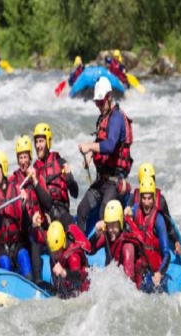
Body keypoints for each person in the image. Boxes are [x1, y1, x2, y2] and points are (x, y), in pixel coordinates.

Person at [77, 77, 134, 234]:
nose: (99, 106)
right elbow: (99, 141)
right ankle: (79, 252)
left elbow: (109, 146)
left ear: (109, 97)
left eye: (101, 102)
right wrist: (89, 155)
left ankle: (111, 256)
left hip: (115, 182)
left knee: (104, 213)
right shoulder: (103, 118)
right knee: (82, 210)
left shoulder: (116, 118)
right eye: (97, 103)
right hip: (101, 181)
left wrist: (89, 146)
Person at [9, 135, 52, 285]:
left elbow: (48, 203)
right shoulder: (13, 181)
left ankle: (38, 280)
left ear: (30, 157)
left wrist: (34, 182)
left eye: (25, 157)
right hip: (22, 233)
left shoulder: (37, 176)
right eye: (20, 158)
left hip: (38, 231)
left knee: (34, 238)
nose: (23, 162)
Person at [0, 149, 32, 279]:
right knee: (5, 264)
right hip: (2, 248)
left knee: (24, 258)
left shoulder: (17, 190)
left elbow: (26, 224)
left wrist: (23, 204)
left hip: (18, 244)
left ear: (3, 168)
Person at [90, 200, 150, 290]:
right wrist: (96, 235)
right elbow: (90, 251)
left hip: (131, 290)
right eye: (109, 225)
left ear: (120, 223)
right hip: (114, 283)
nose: (111, 230)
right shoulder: (108, 235)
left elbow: (128, 282)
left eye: (114, 225)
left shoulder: (127, 246)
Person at [125, 163, 181, 255]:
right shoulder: (134, 198)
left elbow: (169, 227)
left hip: (154, 243)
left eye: (151, 179)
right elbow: (127, 216)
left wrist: (176, 241)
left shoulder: (161, 201)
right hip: (138, 242)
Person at [128, 176, 172, 293]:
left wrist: (160, 273)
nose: (147, 203)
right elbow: (128, 214)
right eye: (144, 198)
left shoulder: (158, 219)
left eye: (149, 198)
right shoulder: (136, 209)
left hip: (152, 271)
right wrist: (127, 211)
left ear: (154, 198)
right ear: (140, 198)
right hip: (138, 267)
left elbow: (167, 254)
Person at [32, 123, 78, 230]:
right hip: (45, 216)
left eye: (41, 141)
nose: (38, 146)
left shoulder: (60, 162)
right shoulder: (34, 171)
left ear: (48, 141)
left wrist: (69, 179)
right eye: (36, 142)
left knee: (71, 227)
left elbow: (75, 193)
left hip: (61, 211)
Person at [46, 221, 90, 298]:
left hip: (82, 293)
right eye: (53, 252)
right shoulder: (53, 247)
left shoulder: (73, 257)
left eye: (57, 251)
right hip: (64, 290)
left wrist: (64, 273)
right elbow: (39, 238)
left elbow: (78, 279)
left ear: (63, 244)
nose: (55, 255)